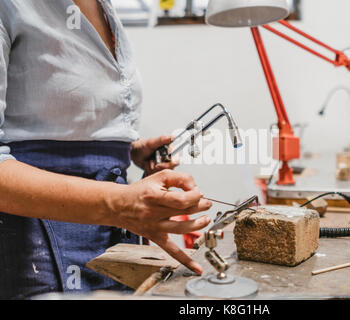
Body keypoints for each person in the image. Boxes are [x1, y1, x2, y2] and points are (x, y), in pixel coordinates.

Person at [0, 0, 212, 299]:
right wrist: (121, 204)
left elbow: (61, 121)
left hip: (109, 239)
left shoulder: (103, 6)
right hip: (35, 247)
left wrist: (124, 151)